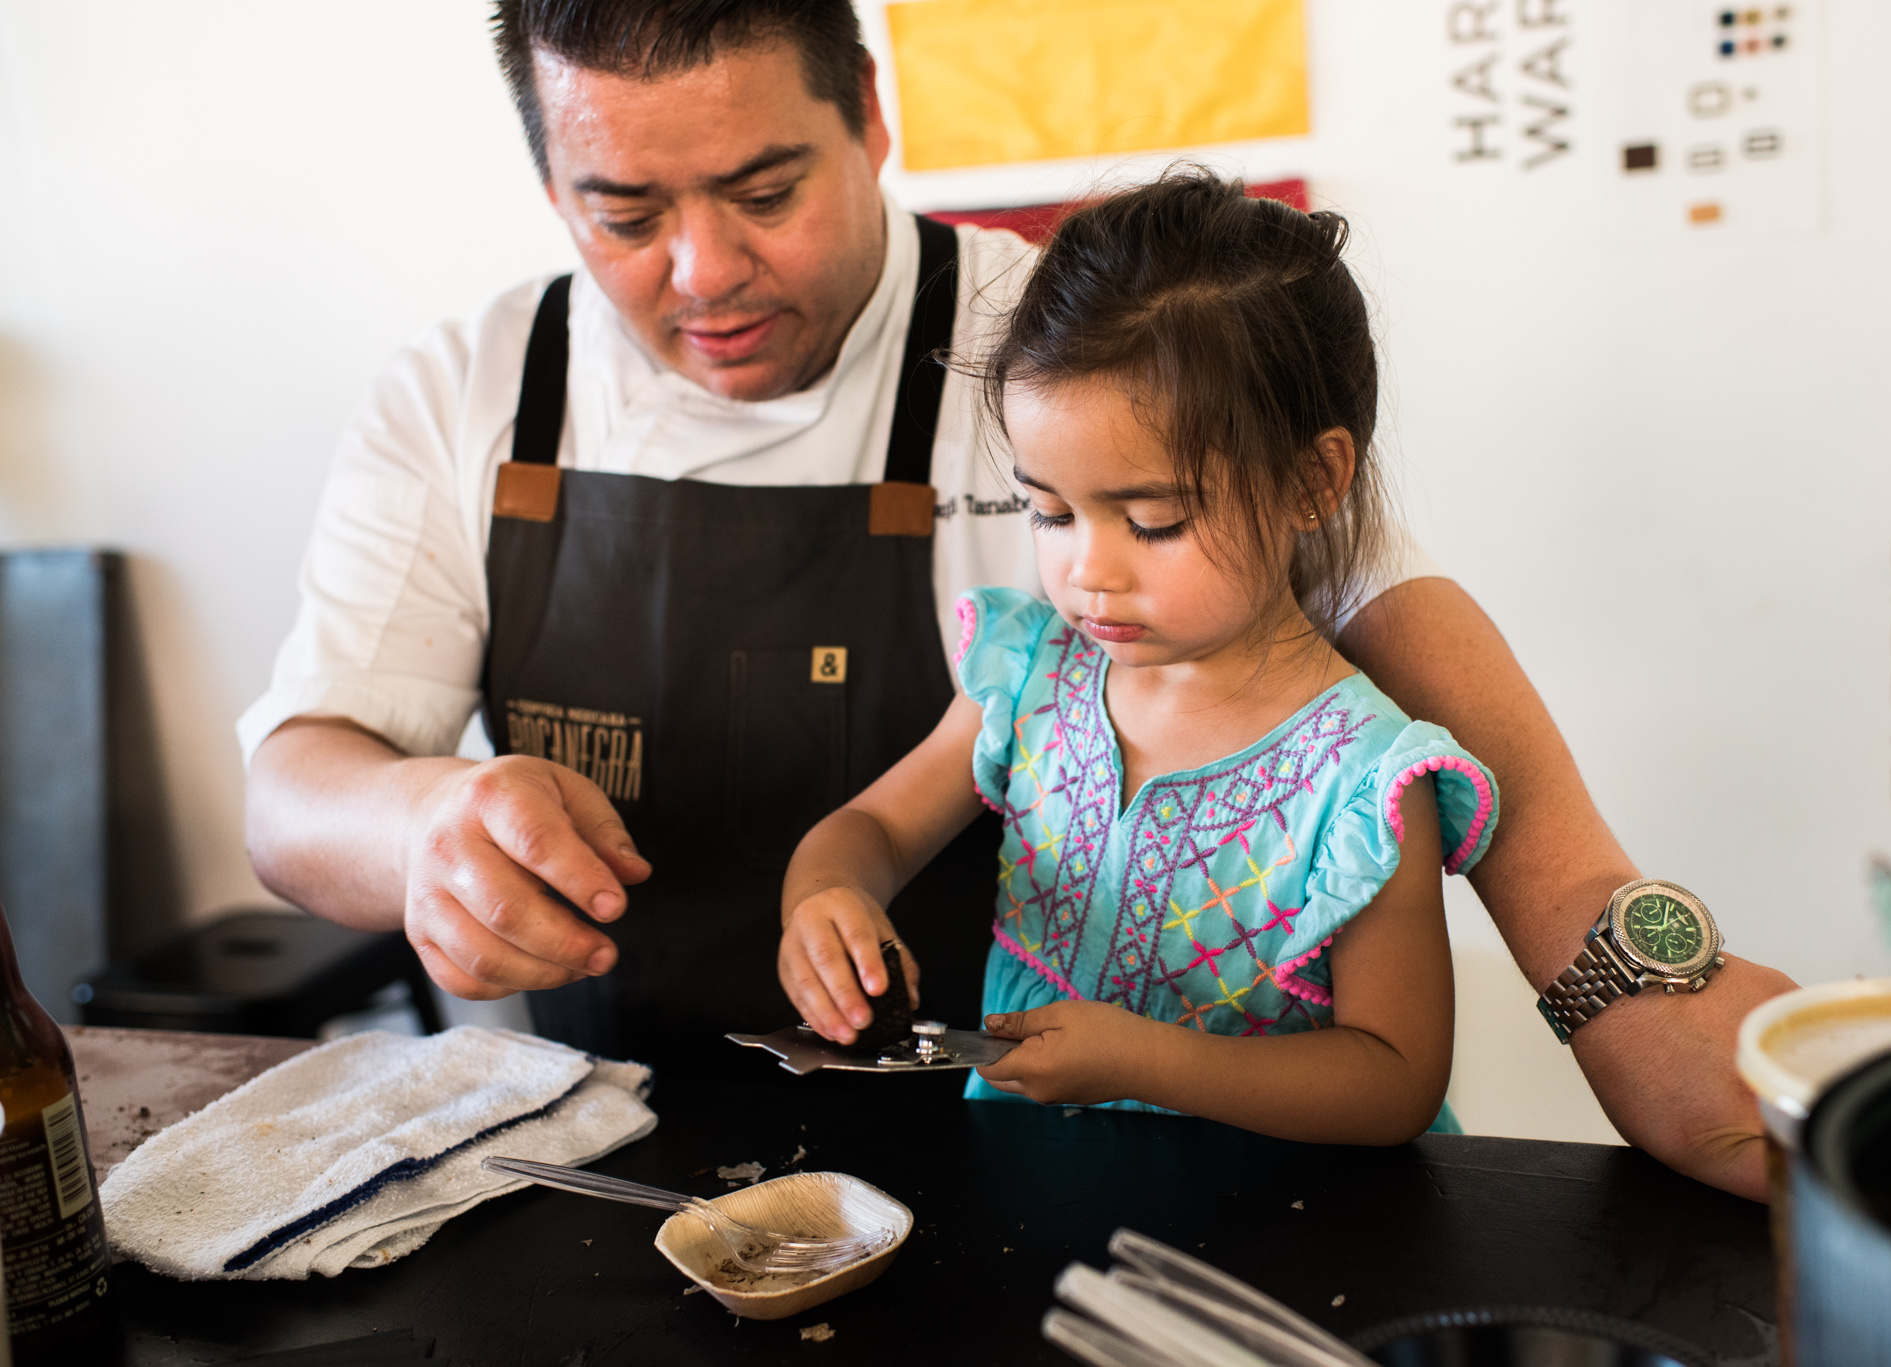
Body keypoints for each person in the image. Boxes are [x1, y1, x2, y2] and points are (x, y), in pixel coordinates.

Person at [238, 0, 1794, 1194]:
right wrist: (424, 828)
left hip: (996, 1151)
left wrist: (1616, 968)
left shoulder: (1062, 343)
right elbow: (296, 786)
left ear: (867, 111)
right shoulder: (470, 389)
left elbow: (1386, 611)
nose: (703, 271)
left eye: (765, 186)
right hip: (621, 1139)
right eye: (625, 213)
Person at [780, 171, 1492, 1143]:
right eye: (1049, 510)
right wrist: (827, 898)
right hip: (1038, 1199)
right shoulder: (1030, 676)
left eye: (1151, 520)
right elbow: (870, 827)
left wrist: (1143, 1059)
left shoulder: (1362, 783)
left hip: (1291, 1243)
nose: (1088, 571)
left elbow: (1394, 1079)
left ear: (1310, 480)